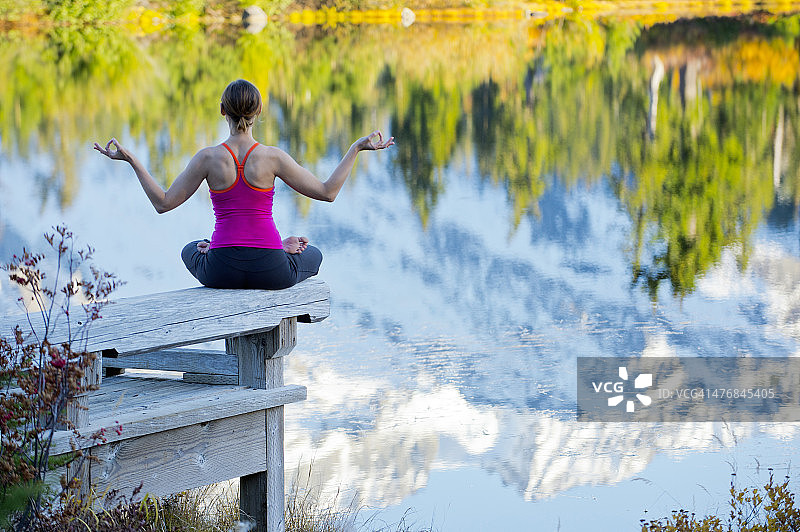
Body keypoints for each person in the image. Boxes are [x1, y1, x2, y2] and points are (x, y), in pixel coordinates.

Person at [94, 79, 394, 289]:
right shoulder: (272, 157)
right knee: (313, 255)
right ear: (258, 112)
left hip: (221, 269)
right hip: (271, 270)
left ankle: (221, 246)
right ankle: (279, 248)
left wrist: (132, 159)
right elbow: (328, 192)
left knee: (190, 249)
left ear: (222, 110)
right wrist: (356, 148)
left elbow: (163, 203)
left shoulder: (207, 158)